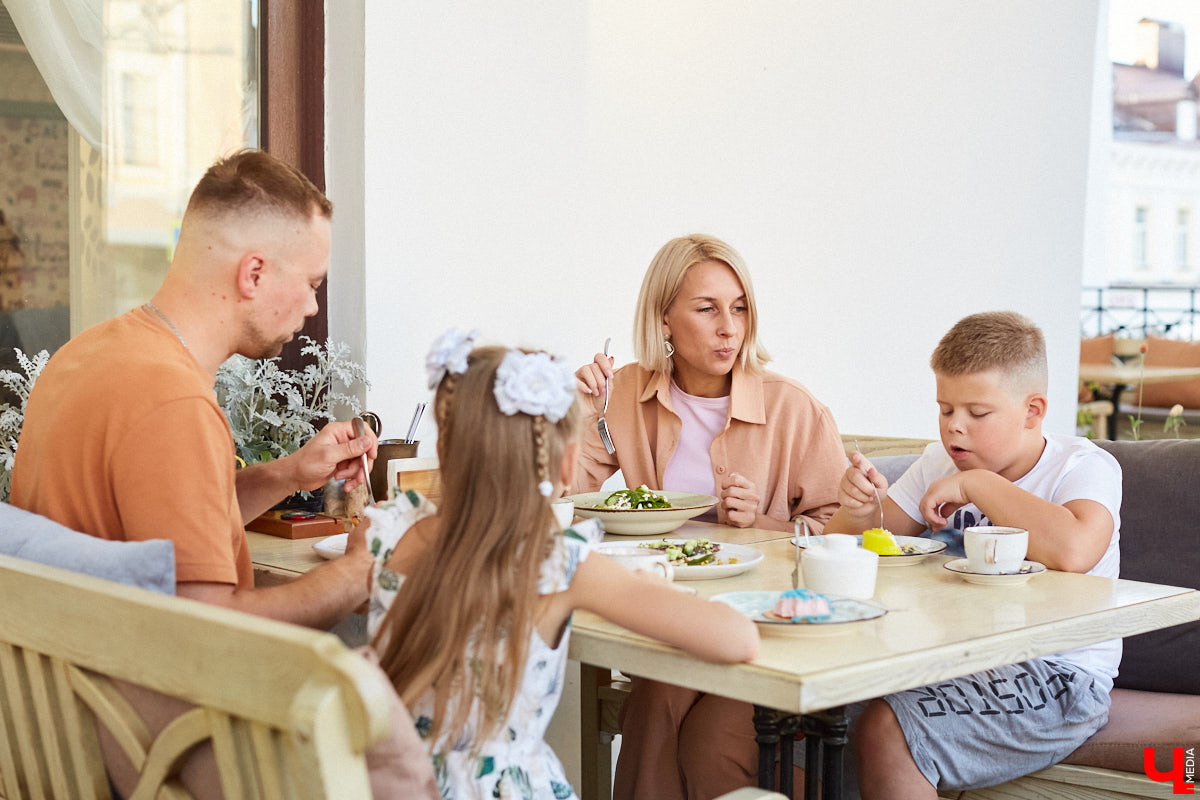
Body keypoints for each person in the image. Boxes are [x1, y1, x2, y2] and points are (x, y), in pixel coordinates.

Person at [364, 330, 760, 799]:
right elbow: (737, 639)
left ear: (445, 451)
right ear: (568, 465)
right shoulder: (558, 562)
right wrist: (649, 587)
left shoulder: (386, 533)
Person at [11, 149, 377, 629]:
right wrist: (359, 573)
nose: (312, 306)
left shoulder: (84, 355)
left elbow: (167, 524)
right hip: (150, 697)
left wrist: (291, 473)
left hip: (69, 685)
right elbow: (209, 632)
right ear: (254, 274)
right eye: (312, 283)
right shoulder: (173, 402)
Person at [573, 233, 847, 799]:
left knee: (691, 728)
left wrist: (764, 523)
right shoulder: (624, 391)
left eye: (740, 307)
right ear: (663, 318)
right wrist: (578, 416)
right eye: (707, 308)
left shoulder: (792, 407)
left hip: (764, 627)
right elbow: (565, 499)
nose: (729, 326)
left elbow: (849, 534)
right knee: (656, 703)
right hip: (667, 613)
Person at [829, 311, 1121, 799]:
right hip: (955, 661)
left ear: (1033, 411)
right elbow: (858, 547)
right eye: (945, 410)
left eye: (977, 413)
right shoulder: (938, 463)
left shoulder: (1083, 467)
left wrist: (978, 484)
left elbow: (1074, 550)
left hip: (1061, 677)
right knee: (814, 718)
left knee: (889, 729)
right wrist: (856, 509)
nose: (954, 429)